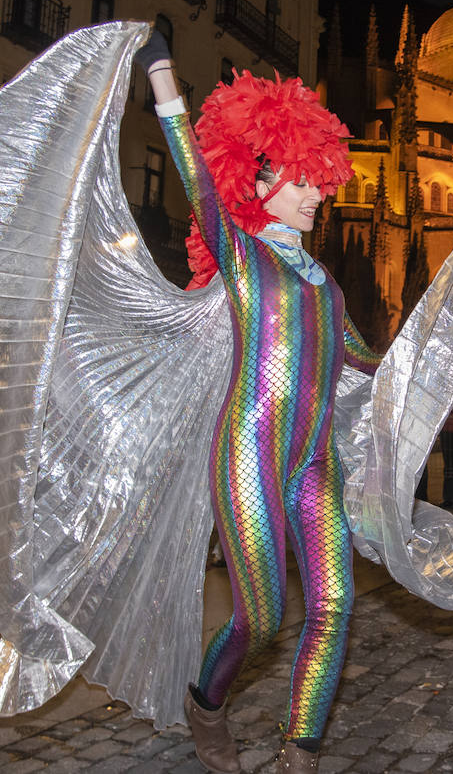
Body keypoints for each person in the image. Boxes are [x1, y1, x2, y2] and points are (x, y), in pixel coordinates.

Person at [140, 38, 378, 774]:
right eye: (306, 180)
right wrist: (163, 83)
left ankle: (297, 756)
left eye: (319, 182)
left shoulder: (328, 287)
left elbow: (371, 363)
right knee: (262, 618)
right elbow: (197, 180)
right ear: (265, 178)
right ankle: (205, 704)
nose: (319, 195)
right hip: (248, 451)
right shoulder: (243, 256)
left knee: (334, 605)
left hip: (315, 462)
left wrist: (442, 353)